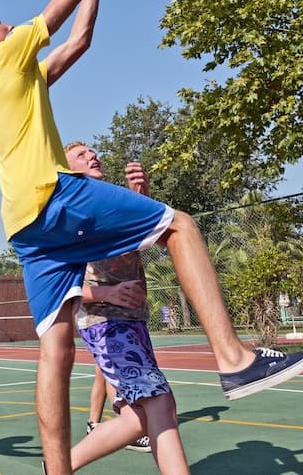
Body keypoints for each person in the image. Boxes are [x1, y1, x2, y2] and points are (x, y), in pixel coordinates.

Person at [0, 0, 303, 475]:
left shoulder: (9, 83)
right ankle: (233, 357)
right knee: (180, 226)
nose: (9, 26)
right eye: (0, 21)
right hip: (52, 196)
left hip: (23, 227)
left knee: (55, 346)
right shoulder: (7, 54)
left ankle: (56, 471)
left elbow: (80, 39)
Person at [66, 144, 188, 473]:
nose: (92, 155)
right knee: (160, 401)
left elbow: (146, 236)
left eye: (92, 151)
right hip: (105, 324)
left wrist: (140, 196)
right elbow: (60, 288)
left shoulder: (108, 204)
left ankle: (58, 467)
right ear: (66, 170)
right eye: (81, 155)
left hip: (133, 322)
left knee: (137, 419)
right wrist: (109, 292)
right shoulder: (71, 214)